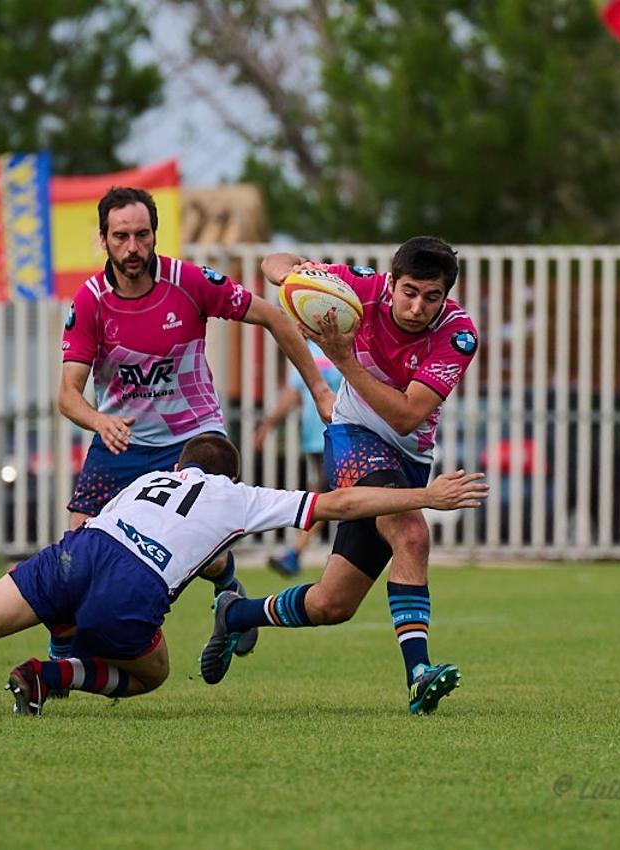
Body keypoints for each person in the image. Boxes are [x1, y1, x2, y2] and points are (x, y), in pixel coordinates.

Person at [0, 435, 488, 717]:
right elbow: (342, 503)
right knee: (153, 672)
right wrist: (425, 494)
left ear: (180, 466)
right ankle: (56, 674)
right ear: (227, 474)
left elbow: (198, 553)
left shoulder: (147, 482)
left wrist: (222, 583)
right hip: (131, 587)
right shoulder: (236, 497)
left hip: (76, 554)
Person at [199, 237, 480, 716]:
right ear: (391, 282)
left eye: (431, 297)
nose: (417, 307)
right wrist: (295, 278)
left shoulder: (457, 334)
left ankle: (237, 612)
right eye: (409, 292)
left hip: (407, 454)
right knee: (412, 533)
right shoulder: (360, 289)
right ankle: (419, 674)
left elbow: (406, 417)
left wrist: (344, 359)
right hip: (352, 437)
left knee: (332, 605)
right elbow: (273, 262)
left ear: (446, 296)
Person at [52, 186, 335, 663]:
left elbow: (274, 316)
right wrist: (99, 420)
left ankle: (226, 591)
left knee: (197, 548)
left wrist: (320, 390)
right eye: (121, 236)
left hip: (193, 440)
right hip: (122, 441)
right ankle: (63, 660)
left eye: (142, 235)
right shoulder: (91, 302)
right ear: (103, 239)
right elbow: (67, 395)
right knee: (71, 560)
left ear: (155, 234)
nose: (133, 247)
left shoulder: (188, 281)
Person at [253, 340, 343, 577]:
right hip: (314, 438)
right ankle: (298, 554)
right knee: (326, 494)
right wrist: (269, 424)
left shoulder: (345, 344)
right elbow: (293, 392)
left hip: (340, 436)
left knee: (324, 494)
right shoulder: (309, 350)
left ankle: (295, 552)